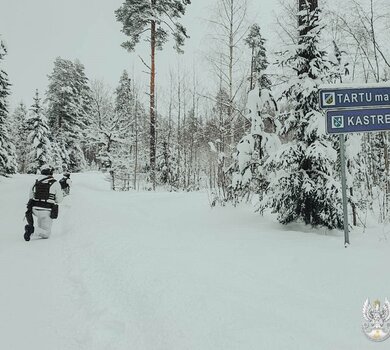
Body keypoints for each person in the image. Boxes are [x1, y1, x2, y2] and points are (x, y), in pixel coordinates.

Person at [24, 164, 63, 241]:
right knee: (46, 234)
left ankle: (33, 230)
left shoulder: (35, 182)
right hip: (47, 210)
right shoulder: (55, 183)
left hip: (34, 210)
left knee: (41, 226)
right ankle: (32, 230)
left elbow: (31, 197)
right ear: (51, 174)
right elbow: (59, 200)